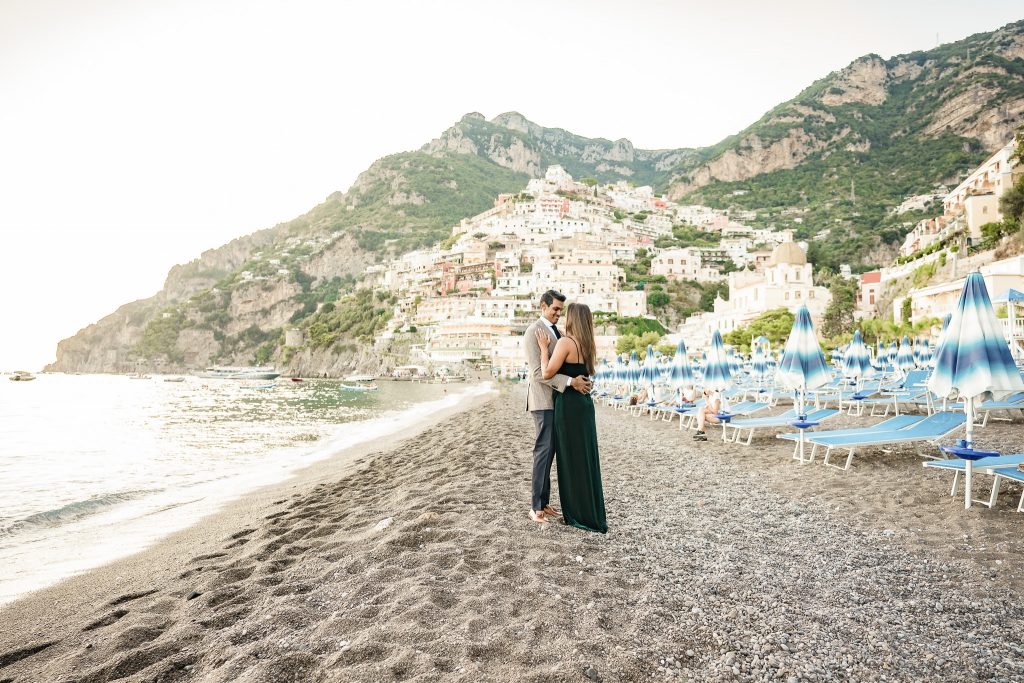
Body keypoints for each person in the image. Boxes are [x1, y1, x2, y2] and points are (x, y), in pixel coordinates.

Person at [536, 302, 607, 534]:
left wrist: (544, 348)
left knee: (570, 459)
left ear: (572, 319)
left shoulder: (566, 342)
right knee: (585, 457)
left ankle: (577, 514)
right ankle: (591, 511)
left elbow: (546, 373)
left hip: (568, 406)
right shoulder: (588, 345)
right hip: (585, 405)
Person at [524, 290, 592, 525]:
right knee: (543, 451)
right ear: (542, 306)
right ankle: (535, 507)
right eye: (554, 309)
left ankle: (544, 502)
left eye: (561, 311)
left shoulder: (558, 333)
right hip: (543, 401)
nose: (557, 314)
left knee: (550, 451)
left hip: (558, 402)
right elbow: (537, 373)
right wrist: (570, 382)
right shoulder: (533, 331)